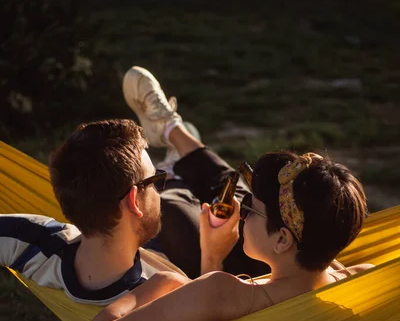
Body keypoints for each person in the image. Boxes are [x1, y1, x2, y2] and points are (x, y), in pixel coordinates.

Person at [77, 148, 373, 321]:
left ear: (282, 239)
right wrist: (212, 256)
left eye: (249, 208)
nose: (242, 216)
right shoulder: (361, 280)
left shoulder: (220, 291)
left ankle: (175, 168)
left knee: (172, 213)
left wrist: (164, 282)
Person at [0, 67, 264, 305]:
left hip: (139, 238)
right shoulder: (158, 293)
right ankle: (175, 143)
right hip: (183, 257)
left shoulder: (34, 242)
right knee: (243, 216)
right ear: (134, 199)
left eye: (160, 180)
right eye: (156, 181)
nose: (157, 189)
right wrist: (213, 257)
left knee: (184, 205)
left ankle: (175, 159)